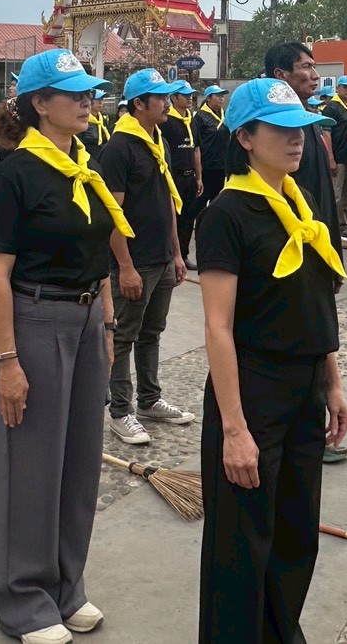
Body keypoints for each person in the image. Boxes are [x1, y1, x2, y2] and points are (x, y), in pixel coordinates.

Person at [195, 78, 347, 643]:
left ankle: (281, 634)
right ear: (245, 137)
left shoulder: (299, 203)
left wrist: (332, 383)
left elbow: (315, 302)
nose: (296, 140)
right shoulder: (227, 214)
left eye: (302, 129)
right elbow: (218, 327)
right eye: (281, 129)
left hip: (304, 387)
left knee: (295, 535)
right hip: (253, 389)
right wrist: (234, 429)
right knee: (240, 543)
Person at [0, 49, 124, 644]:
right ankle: (25, 601)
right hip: (36, 319)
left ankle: (68, 586)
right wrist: (7, 361)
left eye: (91, 93)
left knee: (80, 462)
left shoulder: (85, 166)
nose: (88, 103)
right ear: (40, 104)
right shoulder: (16, 173)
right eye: (75, 94)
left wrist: (108, 326)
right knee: (32, 464)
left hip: (87, 319)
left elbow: (99, 253)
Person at [98, 68, 194, 446]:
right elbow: (112, 214)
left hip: (162, 258)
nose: (168, 103)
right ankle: (120, 411)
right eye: (161, 98)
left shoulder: (158, 142)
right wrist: (125, 267)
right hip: (135, 262)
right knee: (124, 336)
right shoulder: (119, 148)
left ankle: (149, 400)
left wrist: (177, 253)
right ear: (139, 103)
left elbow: (167, 200)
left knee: (152, 333)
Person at [264, 42, 341, 255]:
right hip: (294, 245)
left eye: (314, 67)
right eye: (306, 67)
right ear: (281, 74)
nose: (316, 75)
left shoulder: (310, 120)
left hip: (319, 237)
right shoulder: (273, 127)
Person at [160, 82, 204, 265]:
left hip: (189, 177)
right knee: (173, 218)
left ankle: (184, 255)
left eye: (191, 95)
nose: (189, 98)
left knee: (188, 218)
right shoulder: (166, 121)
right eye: (185, 95)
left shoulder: (192, 121)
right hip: (174, 177)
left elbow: (196, 149)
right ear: (173, 97)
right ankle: (170, 255)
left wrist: (199, 177)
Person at [322, 75, 347, 233]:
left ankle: (344, 222)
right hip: (338, 157)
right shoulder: (332, 107)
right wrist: (330, 158)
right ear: (338, 88)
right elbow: (326, 133)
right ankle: (335, 225)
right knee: (336, 193)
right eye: (345, 87)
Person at [195, 85, 229, 214]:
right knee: (200, 203)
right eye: (218, 95)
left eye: (223, 96)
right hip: (206, 167)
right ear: (209, 98)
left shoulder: (224, 114)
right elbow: (196, 145)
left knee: (216, 203)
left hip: (220, 167)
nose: (222, 98)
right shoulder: (200, 117)